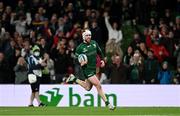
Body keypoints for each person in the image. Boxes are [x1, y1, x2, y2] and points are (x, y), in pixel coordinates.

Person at [66, 29, 115, 110]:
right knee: (98, 85)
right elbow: (75, 60)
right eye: (87, 35)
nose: (89, 36)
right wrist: (80, 63)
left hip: (94, 68)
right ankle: (108, 104)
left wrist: (102, 60)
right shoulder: (80, 48)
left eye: (90, 35)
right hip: (87, 69)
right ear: (83, 37)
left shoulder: (94, 43)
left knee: (88, 88)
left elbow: (100, 52)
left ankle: (73, 78)